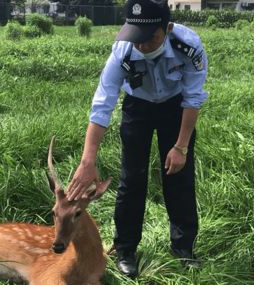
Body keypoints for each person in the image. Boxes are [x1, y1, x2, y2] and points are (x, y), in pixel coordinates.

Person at [66, 0, 208, 278]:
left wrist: (180, 146)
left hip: (175, 108)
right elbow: (102, 104)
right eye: (136, 38)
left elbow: (193, 98)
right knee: (132, 179)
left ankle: (183, 248)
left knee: (179, 177)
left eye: (148, 38)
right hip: (138, 107)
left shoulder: (188, 46)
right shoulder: (123, 50)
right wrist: (87, 160)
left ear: (166, 29)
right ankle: (126, 248)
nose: (141, 45)